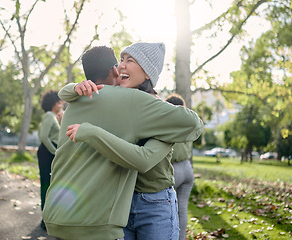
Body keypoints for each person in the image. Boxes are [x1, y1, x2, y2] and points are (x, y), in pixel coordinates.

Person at [43, 45, 203, 240]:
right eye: (121, 59)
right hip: (117, 203)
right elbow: (72, 96)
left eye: (130, 61)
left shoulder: (160, 112)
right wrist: (75, 88)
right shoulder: (115, 98)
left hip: (154, 201)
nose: (121, 66)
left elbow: (144, 159)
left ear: (147, 72)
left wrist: (91, 132)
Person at [166, 93, 195, 240]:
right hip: (187, 169)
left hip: (173, 170)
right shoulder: (189, 124)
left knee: (165, 210)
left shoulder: (168, 125)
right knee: (182, 209)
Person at [37, 90, 63, 230]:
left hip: (50, 152)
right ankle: (45, 220)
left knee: (52, 185)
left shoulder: (53, 117)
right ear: (53, 104)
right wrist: (55, 152)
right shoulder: (48, 116)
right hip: (47, 153)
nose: (62, 104)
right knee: (46, 185)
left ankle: (50, 218)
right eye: (59, 102)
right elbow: (44, 137)